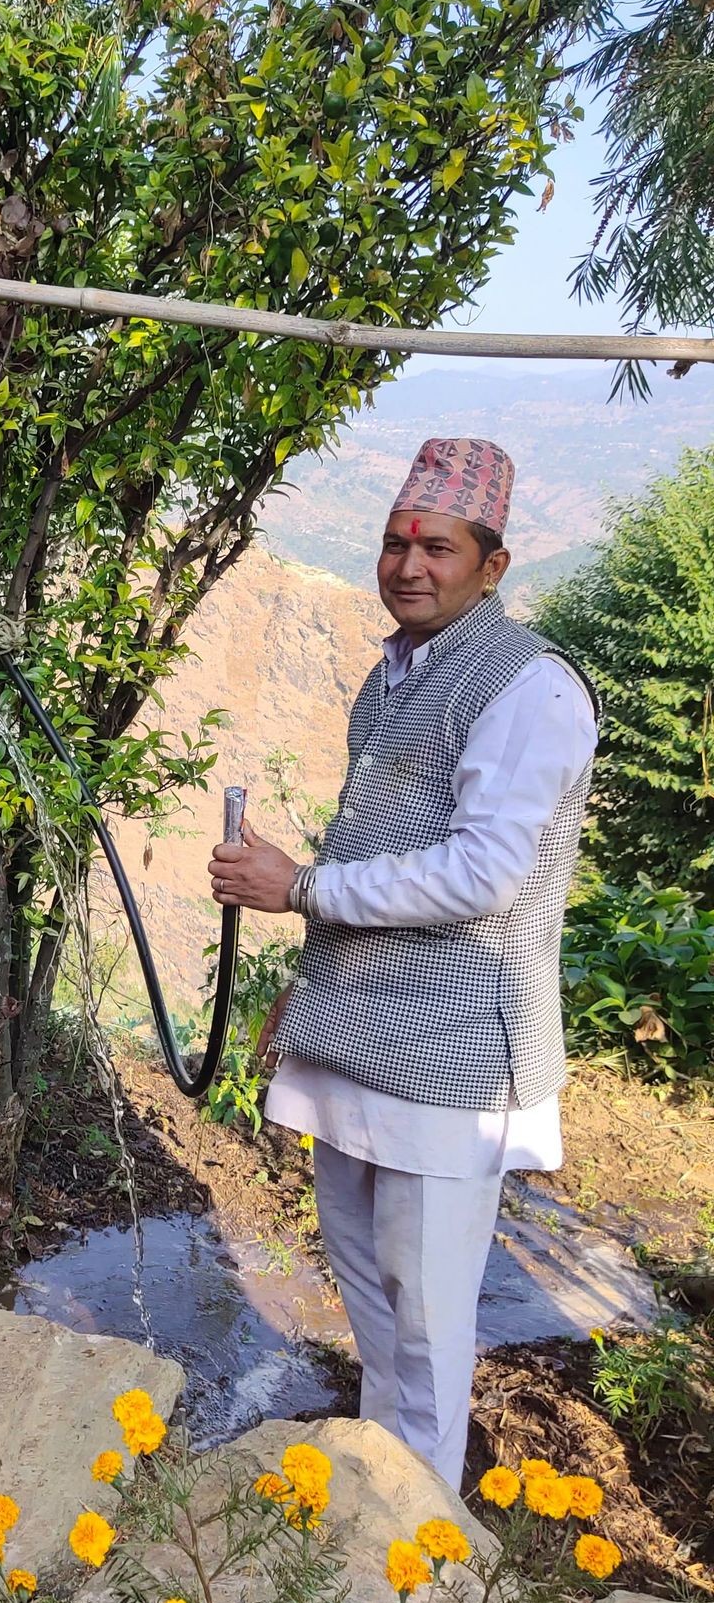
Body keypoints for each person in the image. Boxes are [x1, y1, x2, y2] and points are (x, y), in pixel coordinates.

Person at [209, 437, 597, 1488]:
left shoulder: (531, 689)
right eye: (395, 541)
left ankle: (423, 1548)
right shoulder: (394, 676)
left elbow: (483, 876)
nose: (409, 564)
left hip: (454, 1059)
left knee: (426, 1320)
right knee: (374, 1300)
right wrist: (307, 978)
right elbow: (372, 843)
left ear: (494, 563)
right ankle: (380, 1504)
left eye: (438, 545)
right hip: (360, 1034)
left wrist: (298, 890)